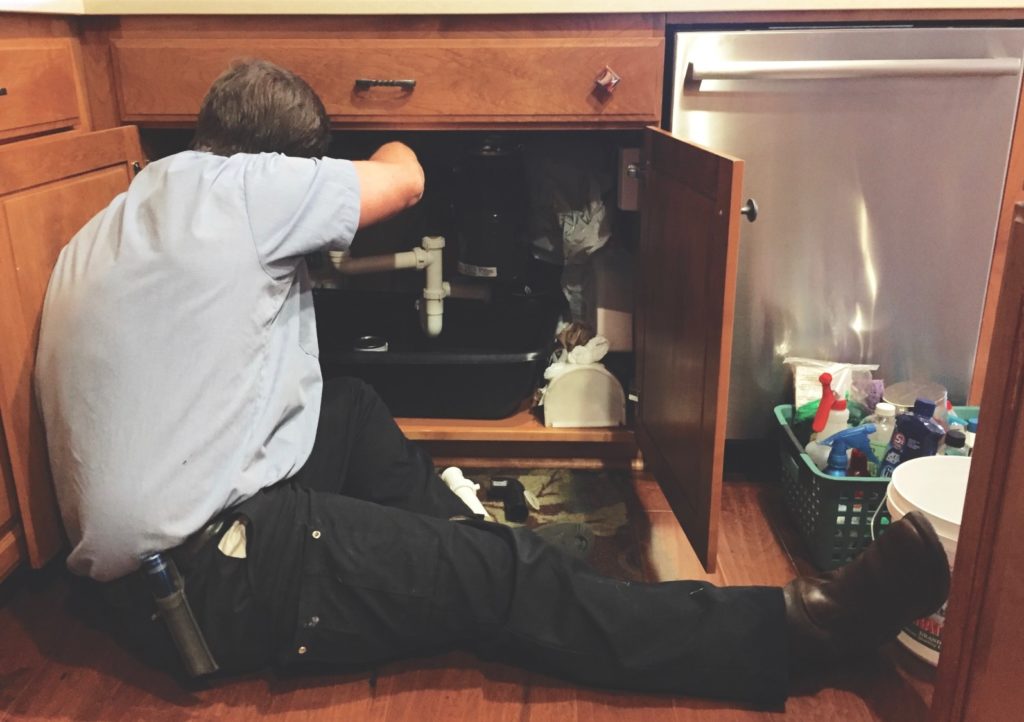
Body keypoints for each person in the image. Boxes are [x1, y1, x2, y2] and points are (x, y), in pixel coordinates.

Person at [34, 59, 951, 707]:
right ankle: (791, 635)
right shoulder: (248, 189)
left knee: (346, 409)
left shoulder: (126, 213)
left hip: (146, 580)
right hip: (210, 583)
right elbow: (404, 177)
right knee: (497, 575)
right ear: (280, 164)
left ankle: (473, 556)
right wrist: (371, 145)